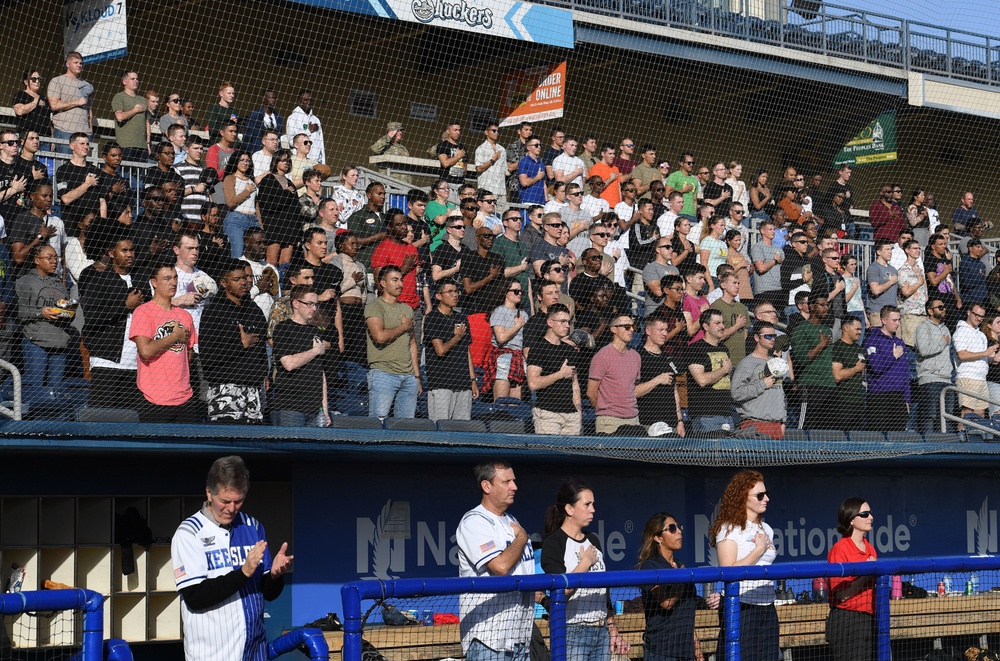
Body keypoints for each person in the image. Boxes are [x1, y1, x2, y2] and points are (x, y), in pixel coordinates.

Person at [171, 455, 292, 661]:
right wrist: (243, 573)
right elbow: (195, 597)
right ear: (209, 493)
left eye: (239, 501)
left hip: (253, 652)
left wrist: (275, 575)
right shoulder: (189, 533)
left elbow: (267, 593)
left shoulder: (252, 526)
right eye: (225, 501)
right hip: (211, 654)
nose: (231, 508)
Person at [456, 460, 535, 661]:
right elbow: (500, 566)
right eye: (506, 481)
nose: (514, 486)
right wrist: (522, 538)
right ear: (487, 486)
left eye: (514, 481)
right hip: (488, 640)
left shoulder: (512, 521)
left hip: (519, 638)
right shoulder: (474, 521)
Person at [542, 481, 629, 661]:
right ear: (569, 509)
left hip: (601, 629)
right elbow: (561, 591)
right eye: (587, 504)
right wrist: (585, 563)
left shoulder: (593, 540)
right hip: (573, 629)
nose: (593, 510)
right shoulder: (554, 543)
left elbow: (603, 592)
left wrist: (612, 628)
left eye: (593, 504)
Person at [709, 470, 779, 661]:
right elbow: (729, 570)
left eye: (766, 494)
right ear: (743, 497)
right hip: (740, 606)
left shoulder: (767, 529)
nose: (766, 499)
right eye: (760, 495)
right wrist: (758, 549)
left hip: (767, 605)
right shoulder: (729, 528)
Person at [637, 512, 717, 661]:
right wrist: (681, 579)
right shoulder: (650, 566)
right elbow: (666, 603)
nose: (679, 531)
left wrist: (698, 654)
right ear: (658, 537)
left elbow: (686, 617)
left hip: (685, 652)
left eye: (679, 527)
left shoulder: (680, 565)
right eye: (672, 528)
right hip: (661, 652)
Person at [79, 236, 144, 411]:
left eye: (132, 250)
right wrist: (125, 307)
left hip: (135, 364)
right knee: (101, 417)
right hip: (106, 361)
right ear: (111, 254)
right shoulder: (100, 281)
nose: (130, 254)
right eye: (124, 250)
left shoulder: (141, 282)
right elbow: (91, 317)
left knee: (129, 420)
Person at [199, 261, 268, 424]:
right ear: (223, 283)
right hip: (225, 390)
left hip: (253, 389)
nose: (243, 282)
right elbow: (207, 357)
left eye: (244, 278)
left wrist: (263, 373)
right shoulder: (213, 311)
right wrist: (240, 344)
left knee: (255, 445)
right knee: (225, 444)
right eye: (236, 279)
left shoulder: (255, 310)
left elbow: (262, 349)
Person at [130, 263, 198, 423]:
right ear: (154, 282)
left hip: (184, 397)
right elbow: (145, 350)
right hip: (153, 398)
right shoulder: (143, 312)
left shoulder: (185, 316)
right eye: (167, 278)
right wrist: (174, 337)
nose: (173, 282)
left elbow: (188, 354)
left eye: (175, 278)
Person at [16, 245, 74, 401]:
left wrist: (67, 310)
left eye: (56, 258)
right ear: (36, 260)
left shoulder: (58, 283)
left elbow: (64, 308)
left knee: (56, 392)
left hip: (59, 343)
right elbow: (18, 313)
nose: (54, 261)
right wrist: (40, 313)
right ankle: (32, 424)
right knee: (35, 389)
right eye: (49, 258)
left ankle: (54, 424)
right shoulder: (25, 281)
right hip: (36, 342)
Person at [270, 284, 331, 426]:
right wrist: (315, 351)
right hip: (291, 407)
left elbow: (320, 373)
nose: (314, 308)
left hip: (314, 409)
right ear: (295, 303)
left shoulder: (314, 331)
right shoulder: (283, 328)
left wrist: (325, 410)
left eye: (315, 304)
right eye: (309, 304)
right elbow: (289, 364)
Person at [826, 497, 877, 661]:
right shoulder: (840, 549)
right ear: (851, 520)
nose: (871, 517)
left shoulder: (870, 549)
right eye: (865, 514)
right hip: (847, 619)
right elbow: (842, 595)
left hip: (868, 618)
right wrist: (865, 575)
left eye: (870, 513)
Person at [366, 265, 420, 418]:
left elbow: (412, 344)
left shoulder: (407, 309)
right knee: (379, 421)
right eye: (395, 280)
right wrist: (403, 327)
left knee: (406, 426)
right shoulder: (375, 306)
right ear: (383, 283)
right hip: (384, 374)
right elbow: (380, 337)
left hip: (408, 377)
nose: (400, 284)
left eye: (401, 280)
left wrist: (416, 376)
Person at [424, 281, 477, 421]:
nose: (455, 295)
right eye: (450, 292)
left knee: (462, 429)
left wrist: (472, 380)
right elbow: (440, 350)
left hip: (463, 383)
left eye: (456, 291)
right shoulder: (432, 318)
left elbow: (466, 351)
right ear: (439, 296)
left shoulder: (461, 318)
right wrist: (457, 336)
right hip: (442, 383)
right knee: (440, 429)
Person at [526, 304, 581, 435]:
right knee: (549, 454)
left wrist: (578, 413)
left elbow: (575, 385)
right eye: (562, 321)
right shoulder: (538, 348)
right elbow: (533, 384)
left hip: (571, 416)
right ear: (550, 322)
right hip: (548, 414)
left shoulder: (569, 350)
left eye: (568, 322)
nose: (567, 325)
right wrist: (560, 374)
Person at [586, 313, 641, 434]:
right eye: (626, 326)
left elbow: (634, 388)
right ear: (613, 329)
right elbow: (591, 392)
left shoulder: (636, 356)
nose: (631, 330)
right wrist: (605, 411)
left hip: (633, 419)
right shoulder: (602, 356)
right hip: (610, 421)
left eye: (633, 326)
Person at [732, 322, 786, 439]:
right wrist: (762, 384)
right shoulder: (747, 363)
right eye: (768, 336)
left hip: (777, 426)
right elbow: (736, 393)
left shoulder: (776, 362)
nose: (772, 339)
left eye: (774, 336)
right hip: (755, 425)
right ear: (757, 337)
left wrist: (783, 421)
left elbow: (780, 393)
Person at [685, 309, 734, 433]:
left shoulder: (724, 348)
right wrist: (724, 370)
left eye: (722, 323)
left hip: (727, 414)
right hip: (706, 415)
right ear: (706, 326)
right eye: (717, 323)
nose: (722, 326)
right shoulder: (695, 349)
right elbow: (701, 380)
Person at [863, 306, 910, 432]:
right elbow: (876, 367)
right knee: (878, 436)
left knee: (899, 437)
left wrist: (906, 399)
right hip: (879, 396)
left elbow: (905, 373)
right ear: (884, 320)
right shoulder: (872, 340)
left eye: (898, 320)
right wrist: (893, 356)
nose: (897, 324)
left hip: (898, 398)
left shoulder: (900, 343)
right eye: (894, 320)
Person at [635, 316, 683, 436]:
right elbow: (633, 392)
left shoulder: (668, 358)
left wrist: (680, 421)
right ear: (648, 331)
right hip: (647, 424)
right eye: (660, 330)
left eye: (666, 330)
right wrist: (657, 380)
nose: (664, 333)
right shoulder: (637, 356)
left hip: (671, 426)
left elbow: (675, 391)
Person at [914, 297, 954, 433]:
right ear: (930, 311)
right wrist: (942, 343)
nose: (944, 309)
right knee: (929, 417)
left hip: (946, 379)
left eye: (944, 307)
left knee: (946, 418)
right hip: (930, 379)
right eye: (940, 307)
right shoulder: (923, 328)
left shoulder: (946, 329)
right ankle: (928, 448)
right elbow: (924, 350)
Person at [485, 280, 529, 401]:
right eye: (515, 291)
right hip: (503, 357)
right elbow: (501, 338)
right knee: (501, 402)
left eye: (521, 291)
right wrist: (517, 325)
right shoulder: (499, 311)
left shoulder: (524, 314)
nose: (519, 293)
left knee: (516, 404)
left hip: (519, 359)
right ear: (505, 293)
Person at [954, 304, 998, 420]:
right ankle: (962, 435)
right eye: (976, 315)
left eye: (981, 316)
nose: (979, 318)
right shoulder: (961, 331)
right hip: (968, 377)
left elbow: (983, 357)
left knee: (980, 415)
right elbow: (962, 355)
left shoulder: (981, 335)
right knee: (967, 414)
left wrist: (992, 358)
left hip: (981, 378)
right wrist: (985, 353)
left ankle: (976, 438)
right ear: (969, 312)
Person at [257, 150, 300, 267]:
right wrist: (285, 193)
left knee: (285, 265)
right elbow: (268, 205)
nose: (286, 163)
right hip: (274, 228)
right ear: (276, 162)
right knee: (271, 264)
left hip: (290, 230)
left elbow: (296, 209)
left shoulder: (290, 182)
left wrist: (297, 233)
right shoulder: (268, 180)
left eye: (288, 160)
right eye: (283, 160)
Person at [47, 52, 93, 154]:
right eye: (75, 62)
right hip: (64, 131)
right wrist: (77, 102)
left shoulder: (87, 85)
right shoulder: (57, 81)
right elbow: (54, 105)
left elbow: (89, 111)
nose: (79, 65)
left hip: (85, 133)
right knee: (64, 165)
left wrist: (90, 131)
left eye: (80, 63)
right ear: (67, 64)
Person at [831, 315, 867, 432]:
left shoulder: (860, 350)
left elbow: (862, 374)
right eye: (857, 329)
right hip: (842, 402)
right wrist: (855, 369)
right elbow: (837, 375)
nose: (860, 332)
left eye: (861, 329)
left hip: (858, 402)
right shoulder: (837, 348)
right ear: (846, 328)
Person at [284, 89, 325, 163]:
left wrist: (323, 162)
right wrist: (308, 131)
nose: (309, 102)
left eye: (311, 100)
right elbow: (291, 141)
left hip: (316, 162)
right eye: (306, 100)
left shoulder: (316, 119)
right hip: (300, 161)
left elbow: (321, 142)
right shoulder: (293, 118)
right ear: (299, 101)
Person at [13, 69, 51, 141]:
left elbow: (48, 121)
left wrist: (52, 140)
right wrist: (35, 102)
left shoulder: (44, 98)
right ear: (26, 82)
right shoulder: (21, 94)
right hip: (27, 138)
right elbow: (19, 111)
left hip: (45, 139)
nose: (37, 81)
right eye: (34, 79)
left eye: (39, 79)